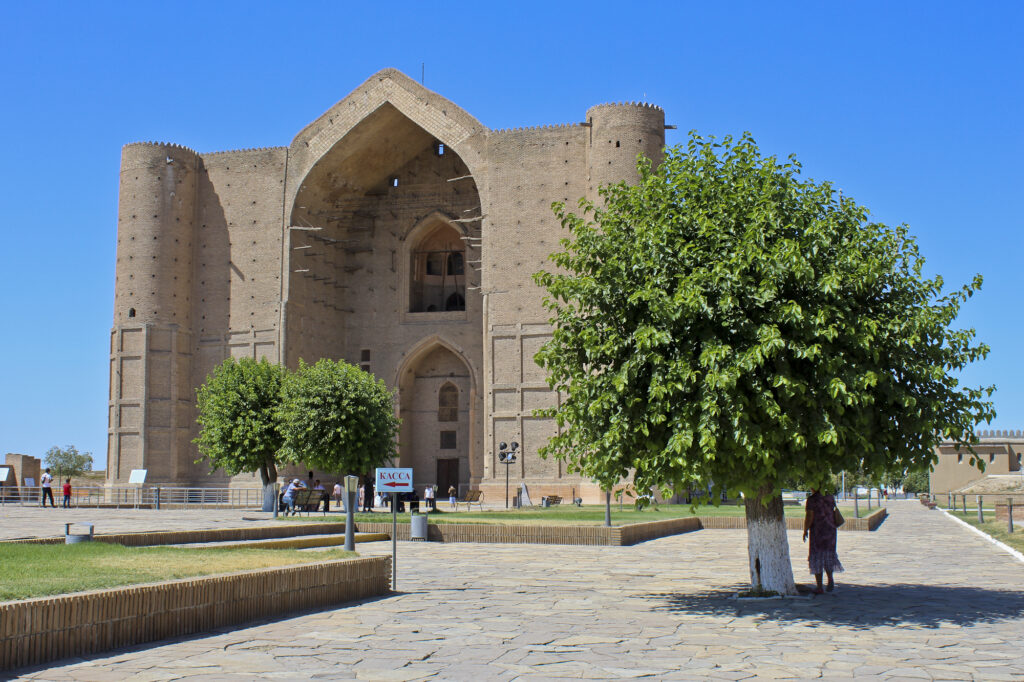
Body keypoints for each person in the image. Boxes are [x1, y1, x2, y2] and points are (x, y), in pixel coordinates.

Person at [803, 487, 844, 594]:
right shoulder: (830, 497)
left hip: (818, 531)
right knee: (828, 554)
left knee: (817, 556)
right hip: (831, 530)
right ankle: (830, 578)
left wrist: (805, 530)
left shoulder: (812, 499)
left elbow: (809, 516)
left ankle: (819, 586)